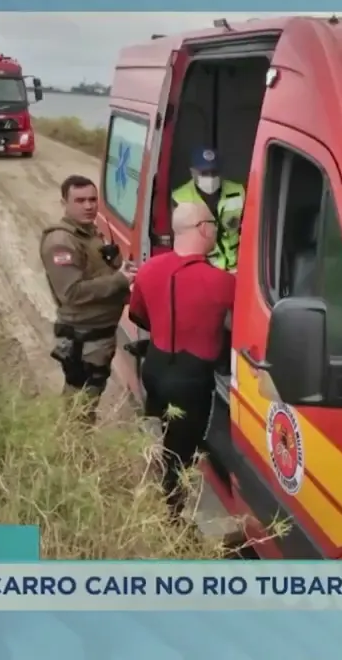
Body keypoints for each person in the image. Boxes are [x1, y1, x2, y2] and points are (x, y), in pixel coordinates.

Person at [128, 201, 236, 517]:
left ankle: (159, 473)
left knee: (164, 431)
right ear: (203, 228)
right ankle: (171, 516)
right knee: (182, 450)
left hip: (156, 367)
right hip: (191, 381)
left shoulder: (148, 269)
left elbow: (138, 315)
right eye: (214, 223)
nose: (216, 228)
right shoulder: (222, 282)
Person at [40, 175, 136, 399]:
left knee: (87, 397)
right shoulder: (61, 241)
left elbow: (97, 272)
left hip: (97, 334)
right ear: (64, 203)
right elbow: (71, 293)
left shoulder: (89, 233)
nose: (89, 206)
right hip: (83, 339)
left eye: (93, 200)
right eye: (80, 200)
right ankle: (73, 435)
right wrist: (119, 280)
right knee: (81, 401)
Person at [171, 147, 245, 271]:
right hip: (203, 269)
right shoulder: (180, 198)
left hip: (237, 267)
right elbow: (180, 241)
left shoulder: (238, 191)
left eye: (214, 172)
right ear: (193, 172)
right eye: (204, 173)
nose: (210, 177)